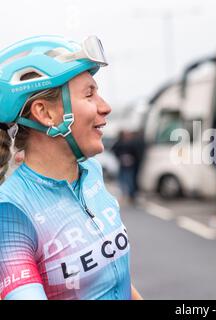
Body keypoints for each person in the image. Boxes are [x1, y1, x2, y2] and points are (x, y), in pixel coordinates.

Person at [0, 35, 142, 300]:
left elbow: (118, 280)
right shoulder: (9, 214)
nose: (105, 107)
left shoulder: (92, 172)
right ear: (46, 114)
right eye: (89, 94)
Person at [112, 129, 141, 205]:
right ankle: (124, 195)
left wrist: (132, 159)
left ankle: (130, 196)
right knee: (122, 180)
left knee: (129, 180)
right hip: (123, 164)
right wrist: (120, 157)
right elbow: (114, 150)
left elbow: (137, 153)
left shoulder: (132, 143)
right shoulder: (120, 143)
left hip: (130, 165)